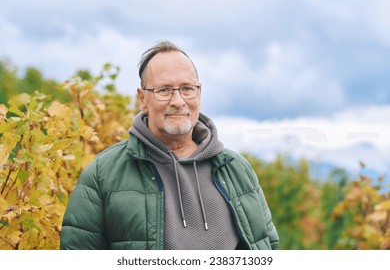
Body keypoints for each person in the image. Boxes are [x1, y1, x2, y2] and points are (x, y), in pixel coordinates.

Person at [60, 41, 279, 250]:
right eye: (164, 90)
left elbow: (269, 247)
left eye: (186, 88)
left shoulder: (237, 169)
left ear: (199, 94)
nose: (178, 101)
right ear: (142, 99)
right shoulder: (102, 174)